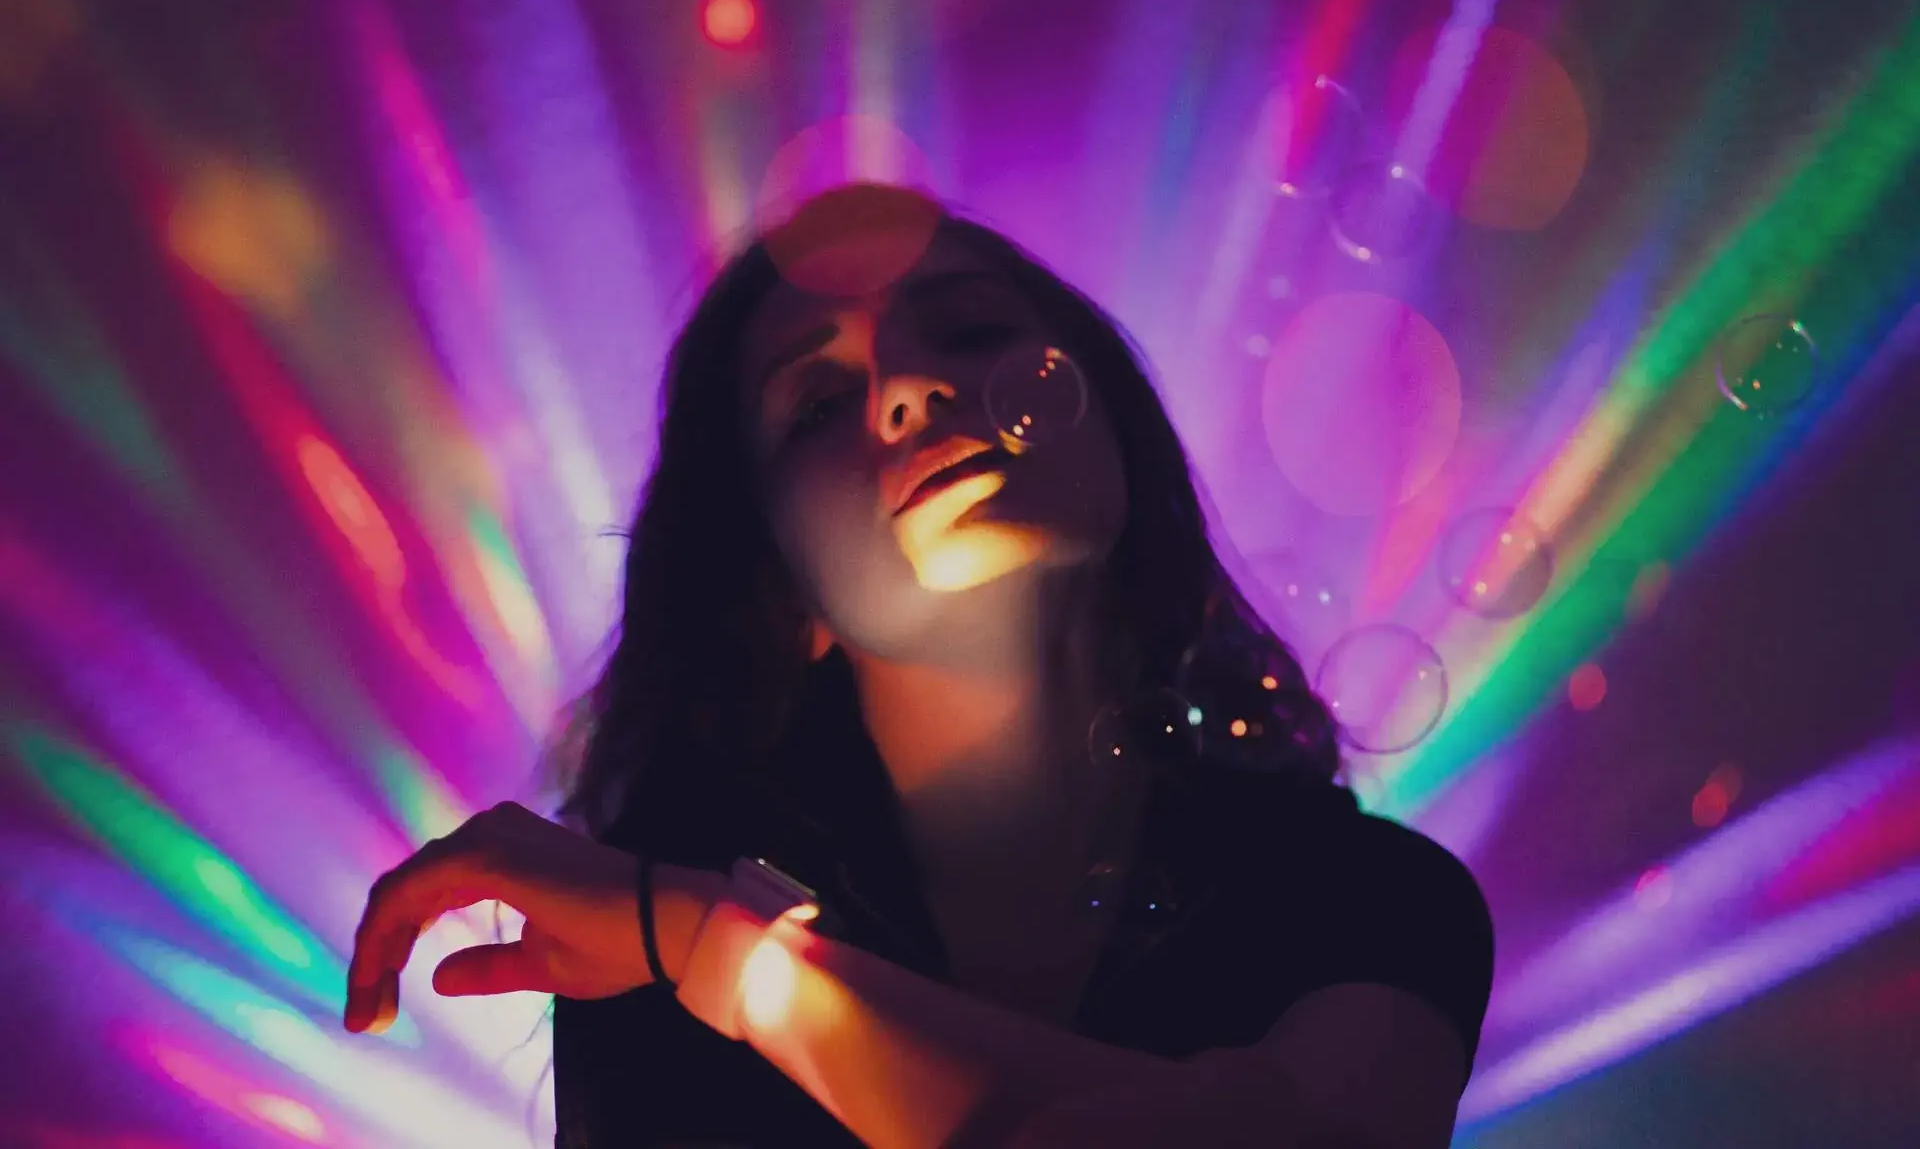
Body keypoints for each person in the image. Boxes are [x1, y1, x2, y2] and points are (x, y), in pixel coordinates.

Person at [344, 186, 1496, 1148]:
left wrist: (719, 950)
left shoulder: (1370, 897)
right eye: (820, 402)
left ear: (1112, 423)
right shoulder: (639, 975)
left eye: (973, 330)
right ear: (780, 593)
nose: (911, 391)